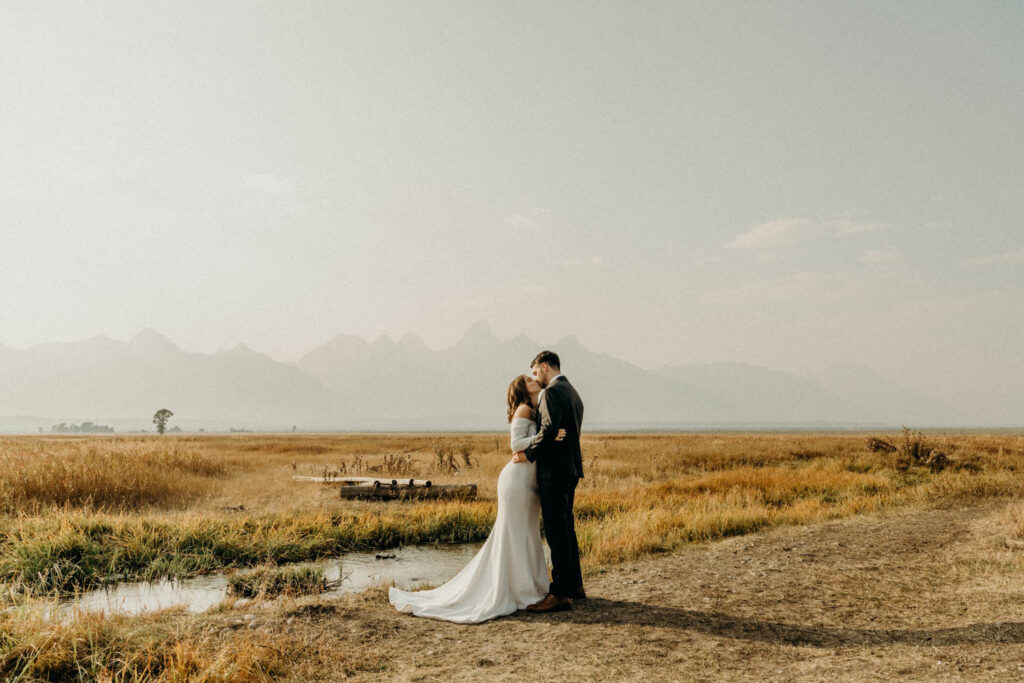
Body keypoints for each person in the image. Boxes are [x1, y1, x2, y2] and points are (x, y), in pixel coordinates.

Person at [388, 374, 565, 623]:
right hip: (516, 481)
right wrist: (547, 437)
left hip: (528, 482)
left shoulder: (536, 409)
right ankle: (517, 589)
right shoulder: (524, 408)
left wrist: (546, 438)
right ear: (522, 389)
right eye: (528, 378)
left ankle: (529, 587)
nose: (534, 379)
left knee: (526, 533)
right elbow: (515, 444)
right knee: (514, 534)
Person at [512, 350, 585, 612]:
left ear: (544, 367)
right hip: (571, 469)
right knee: (567, 528)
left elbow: (550, 429)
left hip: (554, 472)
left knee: (556, 531)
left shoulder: (552, 392)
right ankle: (574, 585)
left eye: (534, 372)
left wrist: (527, 453)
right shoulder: (574, 392)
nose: (535, 377)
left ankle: (560, 593)